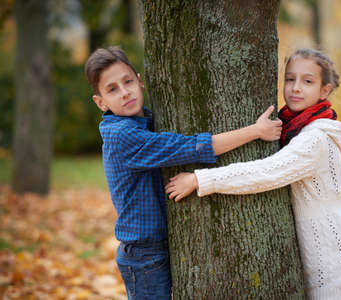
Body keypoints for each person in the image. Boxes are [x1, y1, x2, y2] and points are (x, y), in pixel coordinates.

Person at [165, 48, 341, 300]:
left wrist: (199, 179)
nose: (296, 88)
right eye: (290, 79)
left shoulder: (316, 138)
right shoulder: (295, 129)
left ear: (325, 91)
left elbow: (267, 172)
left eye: (307, 81)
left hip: (338, 267)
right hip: (323, 260)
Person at [84, 46, 282, 300]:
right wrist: (256, 131)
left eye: (128, 82)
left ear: (140, 82)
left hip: (156, 249)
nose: (124, 93)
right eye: (112, 89)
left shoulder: (141, 121)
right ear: (100, 102)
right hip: (144, 257)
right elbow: (190, 148)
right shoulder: (123, 135)